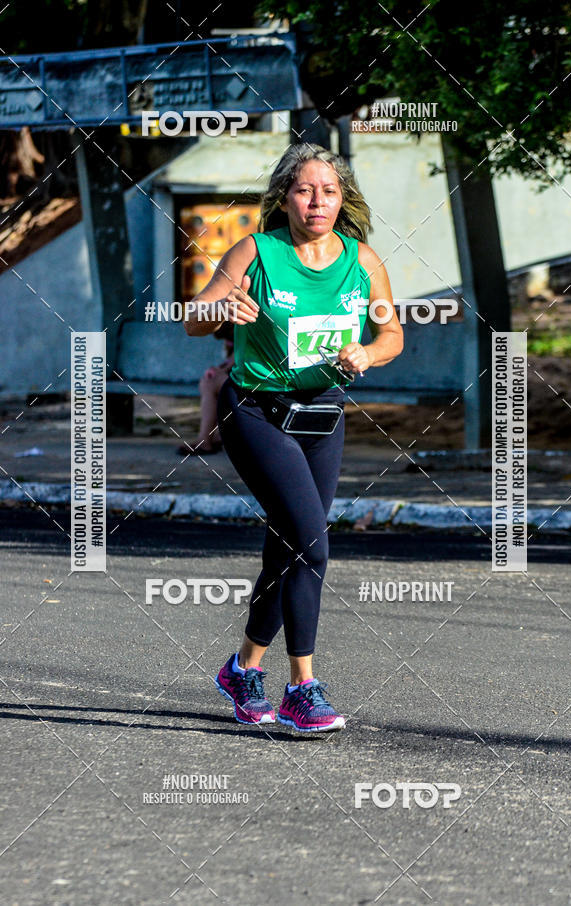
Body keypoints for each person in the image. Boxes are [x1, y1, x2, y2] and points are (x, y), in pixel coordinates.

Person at [184, 143, 403, 732]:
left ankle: (242, 669)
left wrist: (369, 352)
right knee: (312, 543)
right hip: (254, 412)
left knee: (289, 546)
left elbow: (393, 335)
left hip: (322, 416)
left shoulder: (363, 259)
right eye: (305, 190)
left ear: (343, 199)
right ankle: (301, 688)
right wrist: (226, 304)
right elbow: (193, 318)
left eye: (329, 191)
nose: (317, 202)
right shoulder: (256, 251)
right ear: (285, 196)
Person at [178, 323, 234, 455]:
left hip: (259, 380)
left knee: (209, 383)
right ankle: (216, 436)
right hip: (246, 376)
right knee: (211, 382)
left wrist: (221, 370)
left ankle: (205, 441)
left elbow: (242, 354)